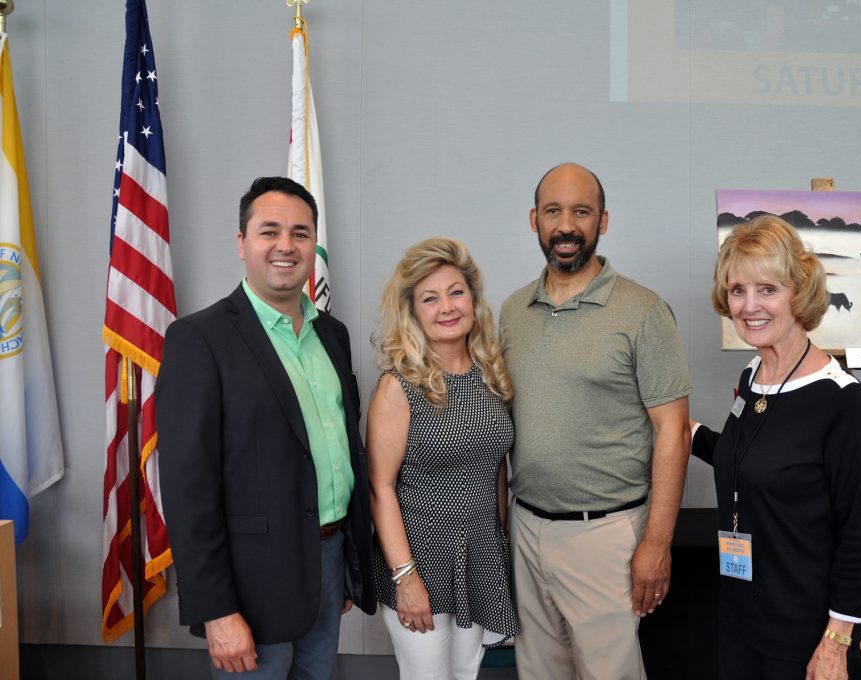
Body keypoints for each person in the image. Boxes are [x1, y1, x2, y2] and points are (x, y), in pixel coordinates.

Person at [156, 177, 376, 678]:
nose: (285, 246)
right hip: (250, 584)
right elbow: (188, 490)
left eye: (300, 233)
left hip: (329, 559)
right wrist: (215, 609)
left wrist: (346, 571)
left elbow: (341, 450)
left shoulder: (332, 334)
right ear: (242, 243)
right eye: (269, 231)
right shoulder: (199, 339)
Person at [499, 162, 692, 679]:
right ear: (533, 219)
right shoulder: (513, 310)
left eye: (581, 211)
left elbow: (672, 430)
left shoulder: (643, 311)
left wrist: (656, 542)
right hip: (527, 526)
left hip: (605, 535)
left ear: (603, 221)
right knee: (539, 673)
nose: (566, 226)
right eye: (553, 211)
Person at [690, 215, 861, 680]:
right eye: (737, 290)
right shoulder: (752, 377)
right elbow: (750, 459)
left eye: (767, 289)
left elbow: (856, 529)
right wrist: (685, 432)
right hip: (740, 615)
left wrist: (836, 641)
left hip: (804, 633)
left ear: (800, 292)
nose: (749, 306)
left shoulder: (840, 398)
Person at [368, 237, 520, 679]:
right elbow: (381, 487)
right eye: (429, 298)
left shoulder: (490, 373)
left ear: (473, 299)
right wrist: (405, 577)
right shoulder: (399, 386)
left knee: (467, 675)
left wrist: (500, 548)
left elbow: (495, 465)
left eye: (456, 292)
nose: (447, 307)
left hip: (479, 557)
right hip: (420, 563)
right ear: (413, 312)